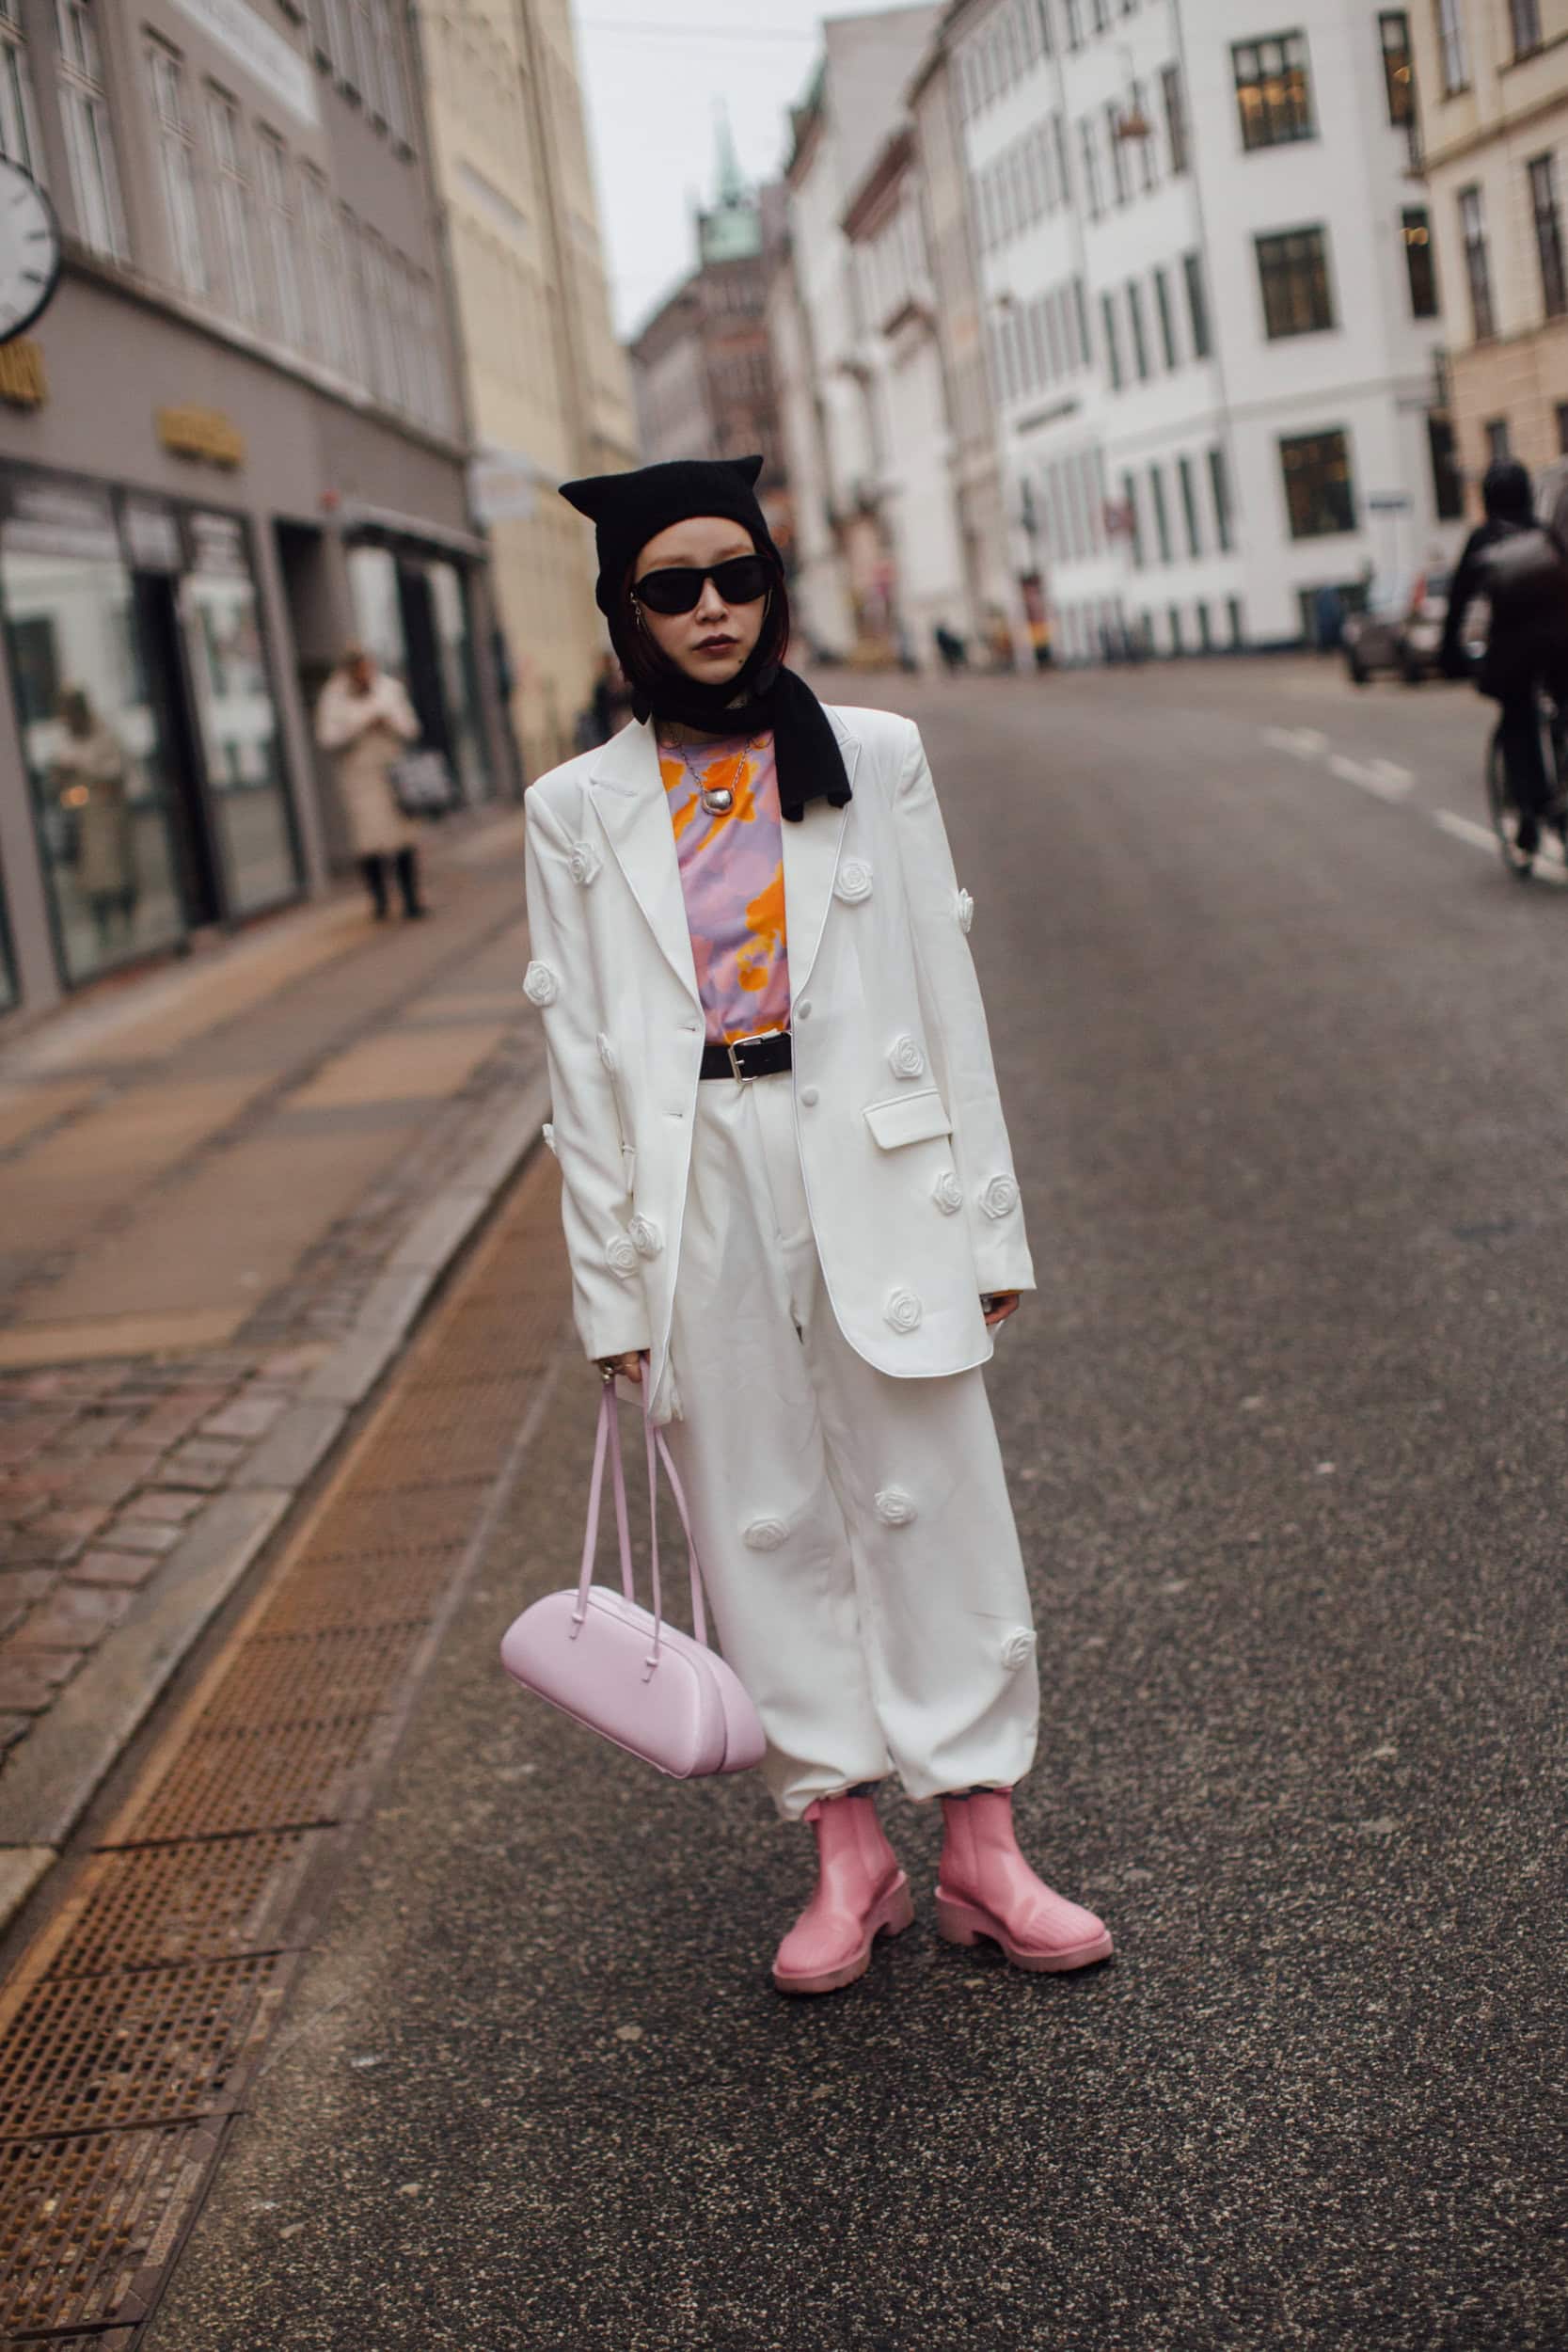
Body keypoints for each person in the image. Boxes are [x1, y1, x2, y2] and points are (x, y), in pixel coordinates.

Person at [524, 454, 1112, 1995]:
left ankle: (982, 1846)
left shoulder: (872, 753)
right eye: (672, 588)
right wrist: (611, 1299)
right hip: (693, 1179)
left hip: (872, 1152)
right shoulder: (572, 809)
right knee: (759, 1509)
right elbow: (579, 1063)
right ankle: (844, 1852)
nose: (711, 609)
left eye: (738, 577)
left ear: (771, 587)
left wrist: (989, 1234)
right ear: (627, 613)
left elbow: (943, 989)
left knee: (935, 1488)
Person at [1440, 459, 1568, 855]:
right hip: (1561, 644)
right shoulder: (1544, 534)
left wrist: (1451, 658)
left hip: (1513, 651)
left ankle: (1530, 810)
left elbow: (1459, 603)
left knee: (1517, 718)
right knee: (1562, 705)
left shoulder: (1482, 540)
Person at [314, 644, 429, 918]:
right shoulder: (333, 697)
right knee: (369, 841)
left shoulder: (389, 689)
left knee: (403, 837)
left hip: (394, 773)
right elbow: (327, 738)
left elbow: (411, 728)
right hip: (361, 778)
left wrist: (388, 722)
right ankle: (379, 900)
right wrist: (361, 725)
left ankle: (410, 899)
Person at [50, 687, 139, 953]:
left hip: (106, 816)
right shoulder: (66, 741)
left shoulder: (104, 735)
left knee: (116, 873)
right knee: (91, 880)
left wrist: (84, 770)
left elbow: (116, 772)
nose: (67, 720)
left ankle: (127, 923)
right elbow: (60, 783)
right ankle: (104, 928)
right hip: (81, 818)